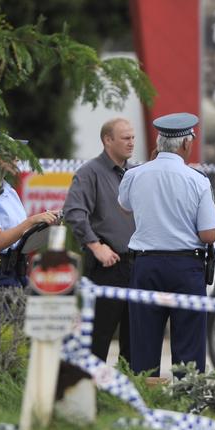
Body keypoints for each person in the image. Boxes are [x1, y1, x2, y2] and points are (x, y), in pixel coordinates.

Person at [118, 112, 215, 376]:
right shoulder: (197, 180)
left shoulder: (134, 175)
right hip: (186, 266)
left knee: (144, 342)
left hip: (145, 264)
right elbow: (209, 234)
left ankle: (147, 402)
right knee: (188, 344)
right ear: (186, 144)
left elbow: (124, 206)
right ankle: (186, 402)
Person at [63, 118, 136, 362]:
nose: (131, 142)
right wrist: (95, 245)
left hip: (136, 266)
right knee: (98, 340)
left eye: (133, 137)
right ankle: (91, 394)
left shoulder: (133, 173)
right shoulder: (90, 172)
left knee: (134, 343)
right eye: (125, 137)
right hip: (108, 267)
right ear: (108, 140)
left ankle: (128, 395)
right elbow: (74, 211)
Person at [0, 133, 59, 288]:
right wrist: (32, 220)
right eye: (12, 152)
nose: (17, 158)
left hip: (17, 272)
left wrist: (44, 225)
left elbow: (20, 238)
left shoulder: (9, 191)